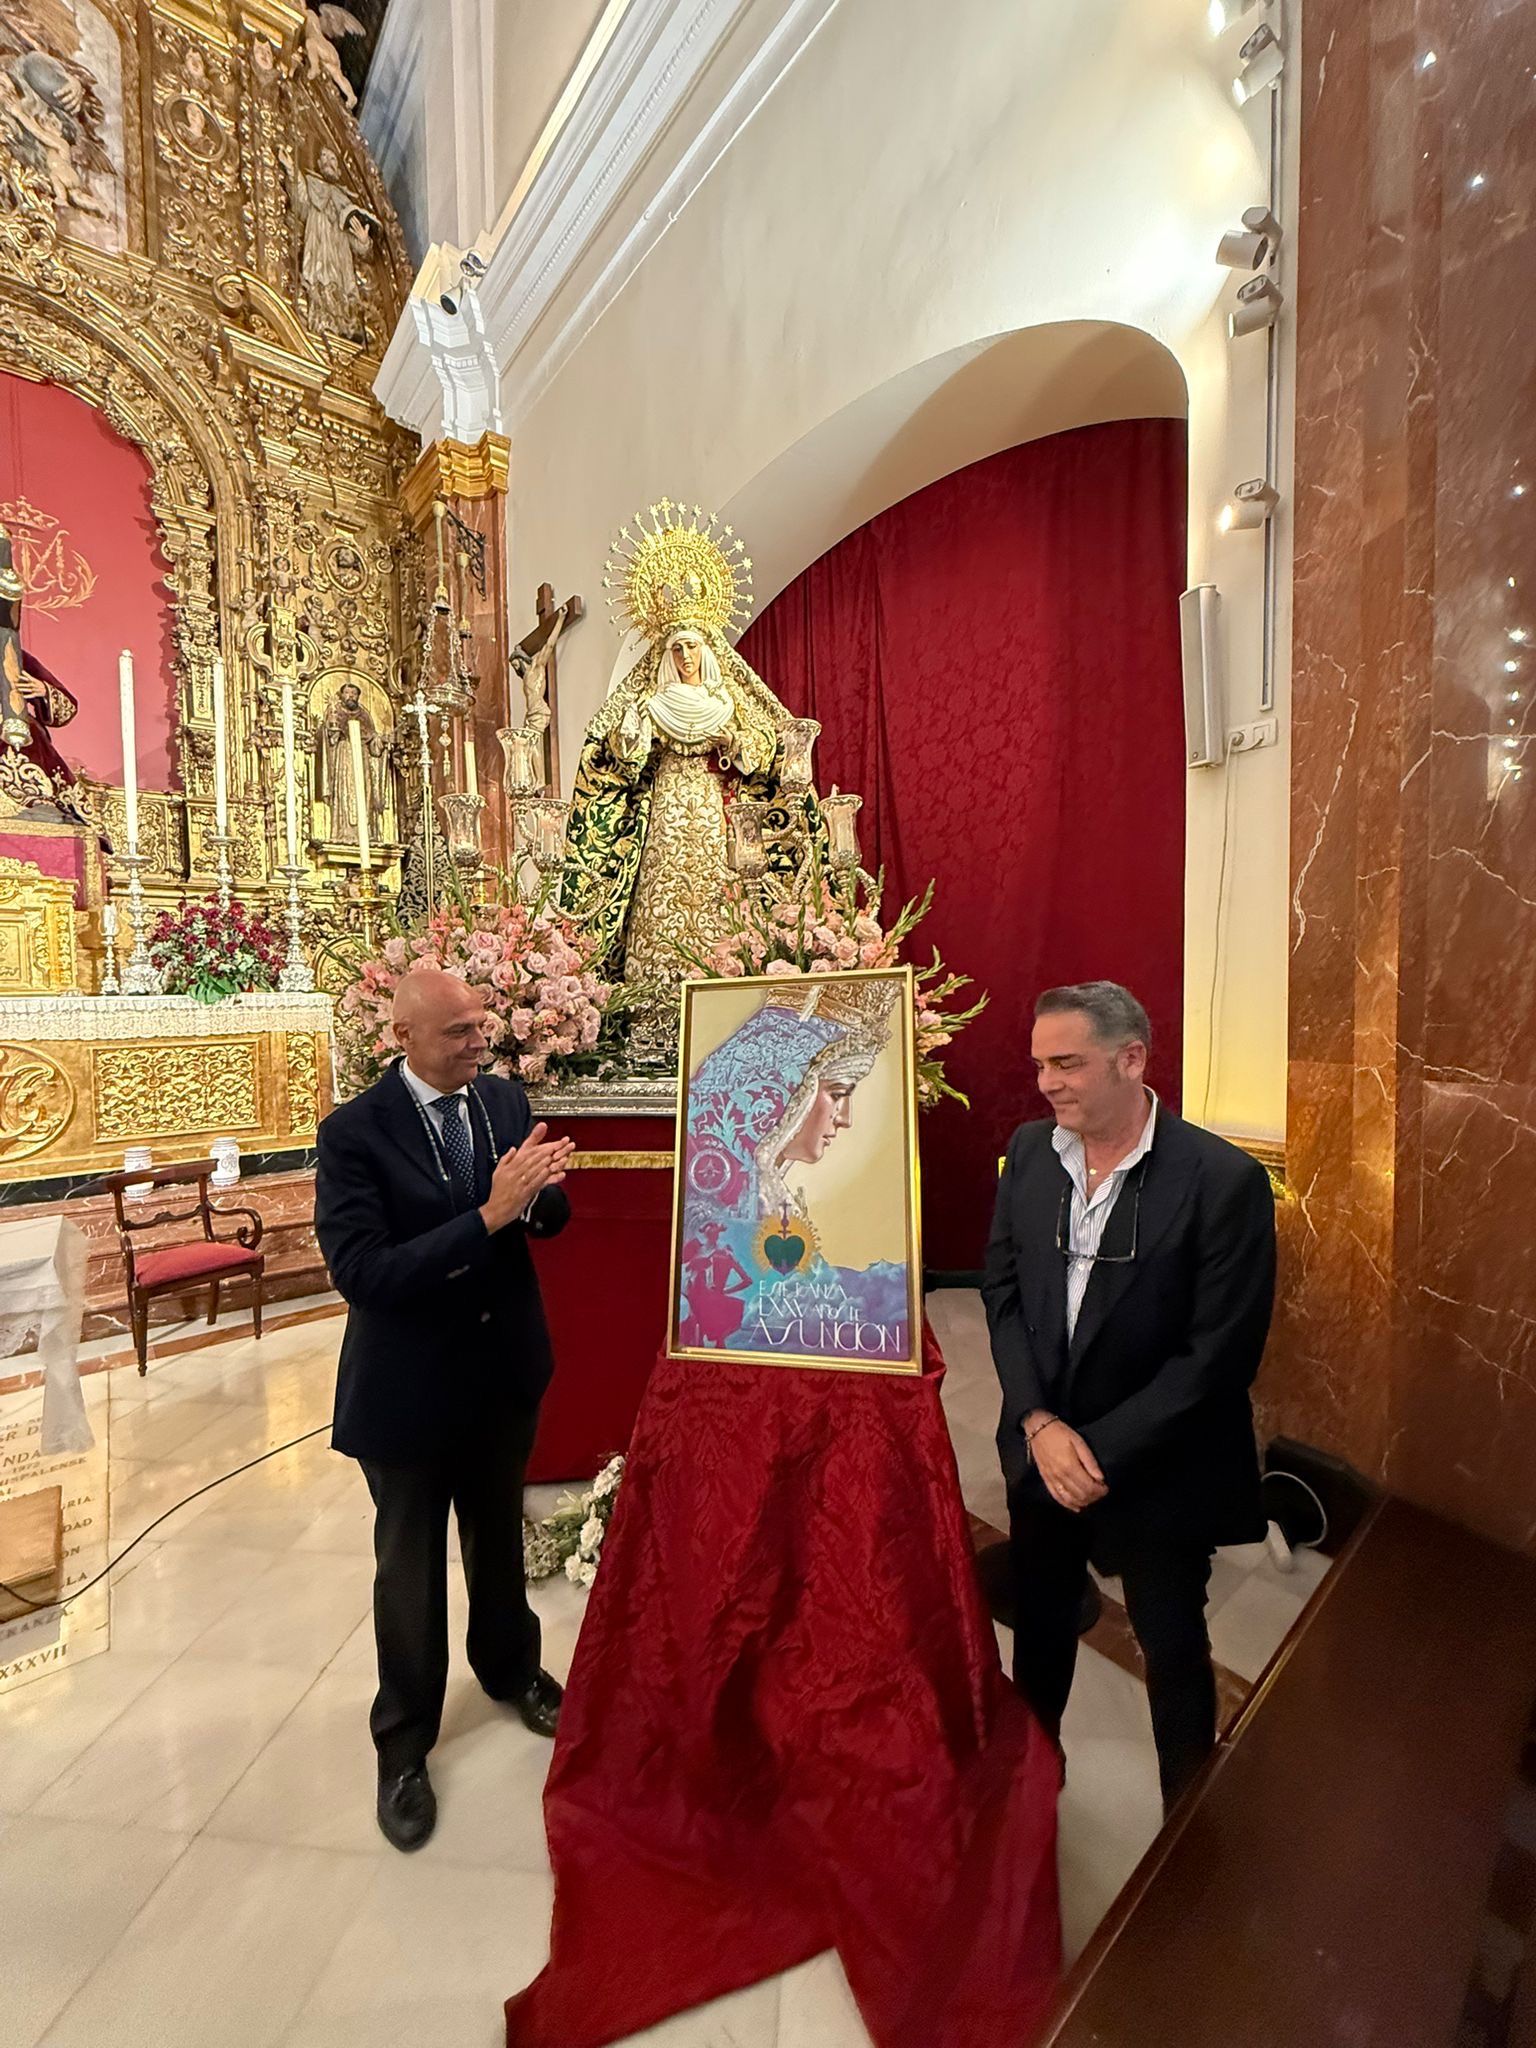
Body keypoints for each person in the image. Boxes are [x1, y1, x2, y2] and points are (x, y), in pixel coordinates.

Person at [983, 981, 1276, 1815]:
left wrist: (1098, 1449)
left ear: (1132, 1058)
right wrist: (1040, 1424)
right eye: (1040, 1064)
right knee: (1042, 1627)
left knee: (1173, 1644)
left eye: (1067, 1063)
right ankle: (1032, 1788)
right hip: (1046, 1448)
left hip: (1160, 1465)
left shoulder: (1223, 1181)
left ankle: (1187, 1836)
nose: (1047, 1083)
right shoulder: (1031, 1153)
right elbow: (1002, 1294)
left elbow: (1218, 1358)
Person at [315, 967, 576, 1852]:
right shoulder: (354, 1135)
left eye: (481, 1027)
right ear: (404, 1038)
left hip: (502, 1374)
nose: (479, 1044)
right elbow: (366, 1275)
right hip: (407, 1390)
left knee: (500, 1539)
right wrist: (492, 1216)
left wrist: (539, 1196)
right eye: (459, 1032)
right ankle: (404, 1746)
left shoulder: (500, 1099)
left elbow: (543, 1215)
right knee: (411, 1574)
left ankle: (512, 1672)